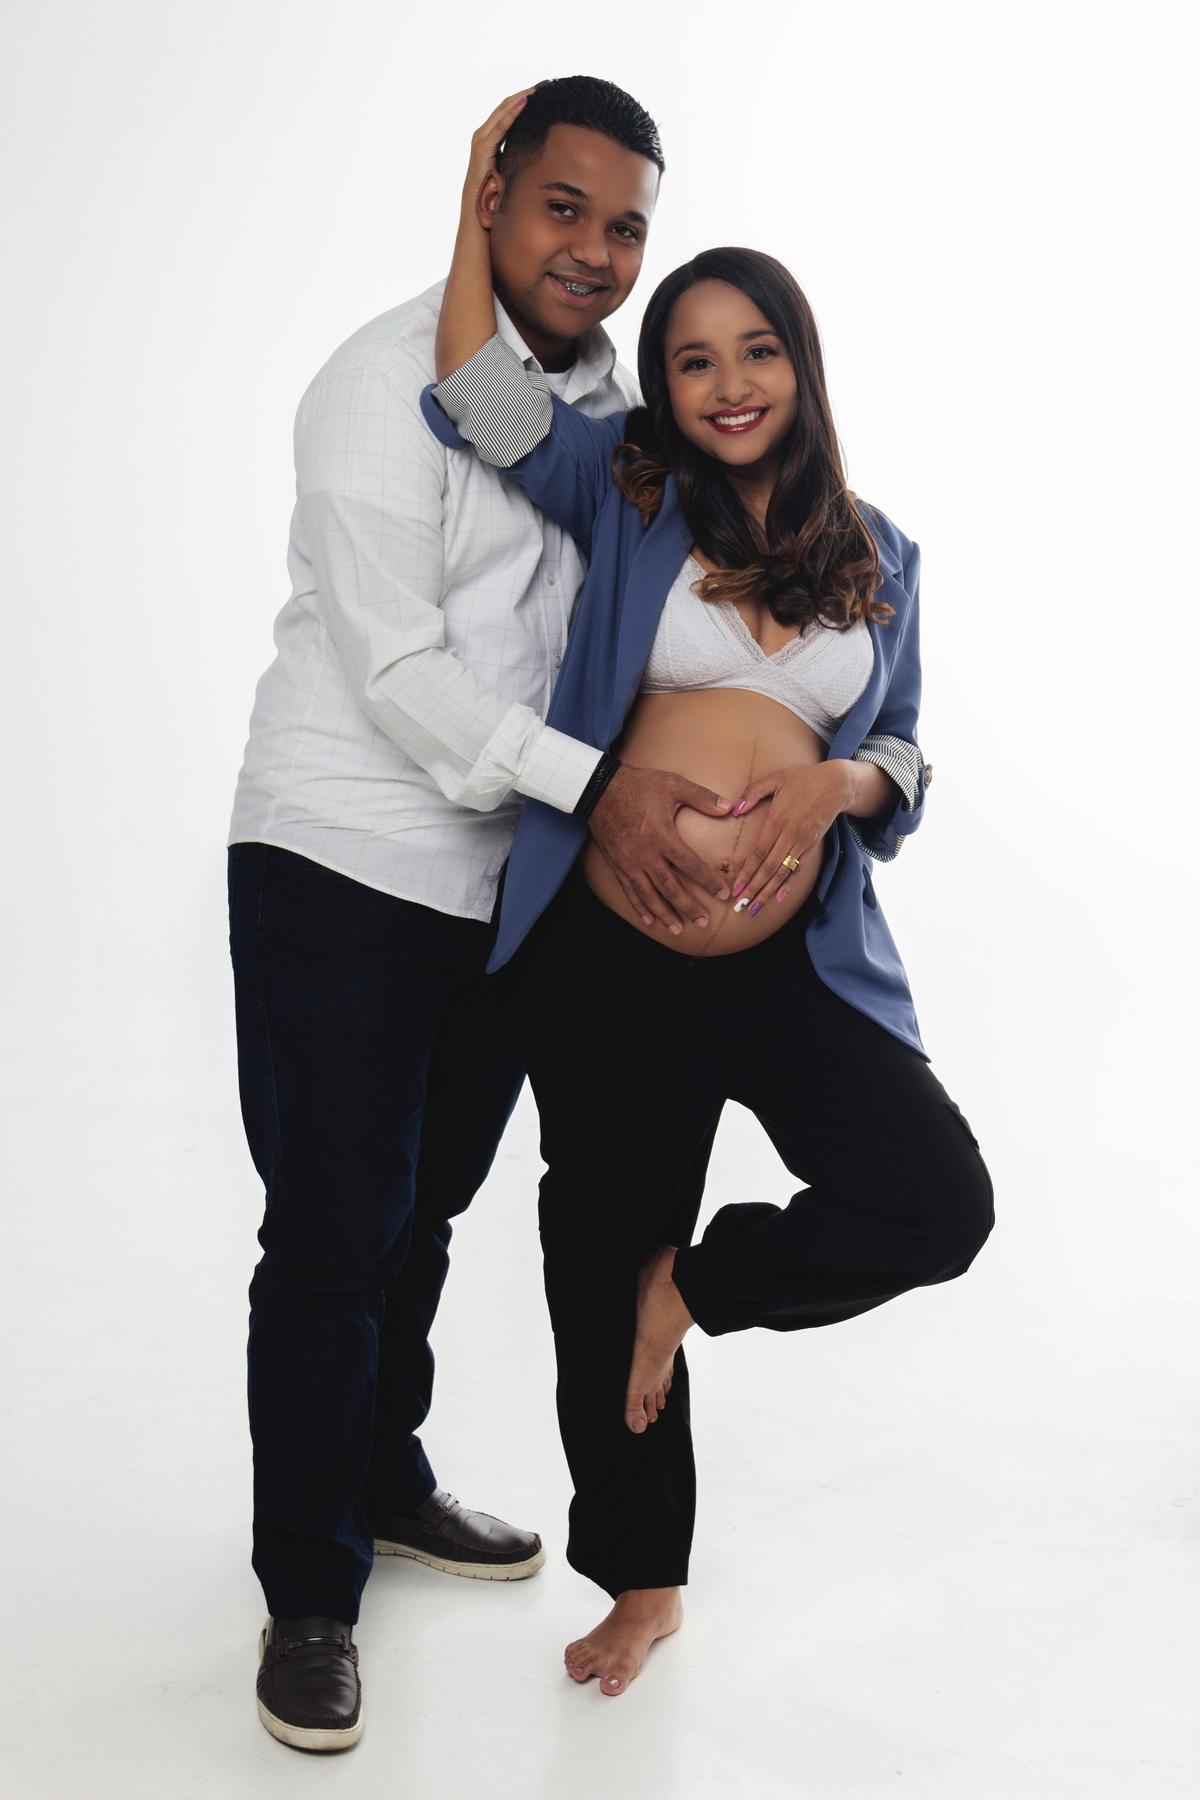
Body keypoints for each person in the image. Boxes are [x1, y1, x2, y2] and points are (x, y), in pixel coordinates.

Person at [423, 109, 996, 1700]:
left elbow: (906, 748)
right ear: (661, 389)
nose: (728, 382)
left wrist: (845, 785)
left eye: (757, 351)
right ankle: (645, 1579)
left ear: (800, 366)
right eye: (691, 359)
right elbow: (477, 395)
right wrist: (478, 199)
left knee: (934, 1200)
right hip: (610, 957)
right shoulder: (629, 495)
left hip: (792, 962)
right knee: (593, 1259)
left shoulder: (881, 553)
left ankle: (696, 1286)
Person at [226, 78, 740, 1753]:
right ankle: (309, 1595)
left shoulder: (611, 416)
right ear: (492, 199)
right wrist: (603, 795)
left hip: (507, 887)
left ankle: (382, 1483)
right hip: (344, 860)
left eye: (625, 226)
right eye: (561, 208)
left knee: (426, 1212)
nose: (593, 250)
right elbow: (398, 671)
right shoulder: (379, 382)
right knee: (334, 1233)